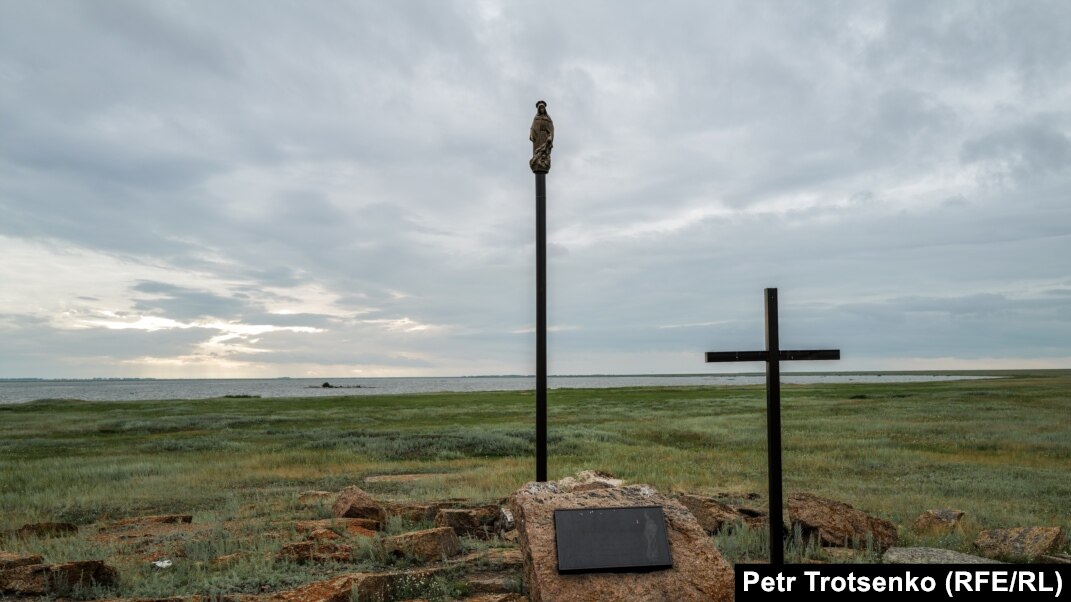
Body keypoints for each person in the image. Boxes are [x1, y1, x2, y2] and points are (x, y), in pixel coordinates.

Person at [529, 100, 554, 173]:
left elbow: (551, 129)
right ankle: (537, 161)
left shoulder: (548, 119)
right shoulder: (536, 118)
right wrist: (531, 133)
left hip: (544, 136)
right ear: (538, 109)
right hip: (537, 138)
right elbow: (533, 128)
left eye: (543, 108)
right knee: (537, 152)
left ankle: (543, 161)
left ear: (544, 109)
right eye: (540, 108)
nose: (542, 109)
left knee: (544, 151)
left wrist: (550, 136)